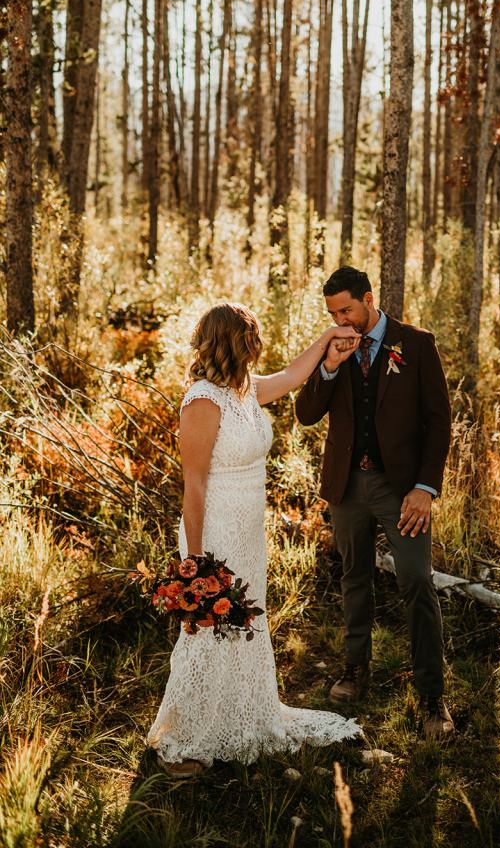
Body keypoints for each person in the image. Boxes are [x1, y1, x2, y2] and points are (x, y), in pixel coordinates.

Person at [147, 302, 364, 777]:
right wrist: (196, 562)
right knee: (208, 628)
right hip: (214, 532)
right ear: (232, 341)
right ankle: (184, 743)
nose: (257, 344)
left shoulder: (244, 390)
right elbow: (195, 485)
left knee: (244, 625)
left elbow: (290, 376)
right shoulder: (202, 400)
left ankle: (236, 716)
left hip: (248, 532)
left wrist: (329, 339)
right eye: (251, 336)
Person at [295, 267, 454, 739]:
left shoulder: (417, 344)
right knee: (353, 578)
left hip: (401, 489)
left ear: (368, 298)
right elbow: (306, 414)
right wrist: (329, 364)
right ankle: (355, 667)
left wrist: (425, 488)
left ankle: (432, 697)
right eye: (332, 313)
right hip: (347, 487)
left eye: (346, 309)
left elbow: (438, 421)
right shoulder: (336, 347)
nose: (341, 319)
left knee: (416, 582)